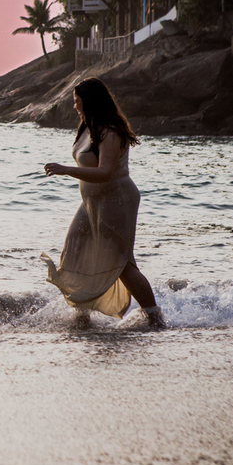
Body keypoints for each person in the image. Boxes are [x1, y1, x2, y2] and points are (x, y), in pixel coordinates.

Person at [41, 78, 166, 329]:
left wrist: (67, 170)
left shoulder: (109, 130)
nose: (75, 106)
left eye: (77, 100)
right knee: (74, 246)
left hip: (117, 200)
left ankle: (154, 316)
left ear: (90, 100)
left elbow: (106, 172)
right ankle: (82, 312)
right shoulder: (88, 126)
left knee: (120, 262)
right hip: (92, 201)